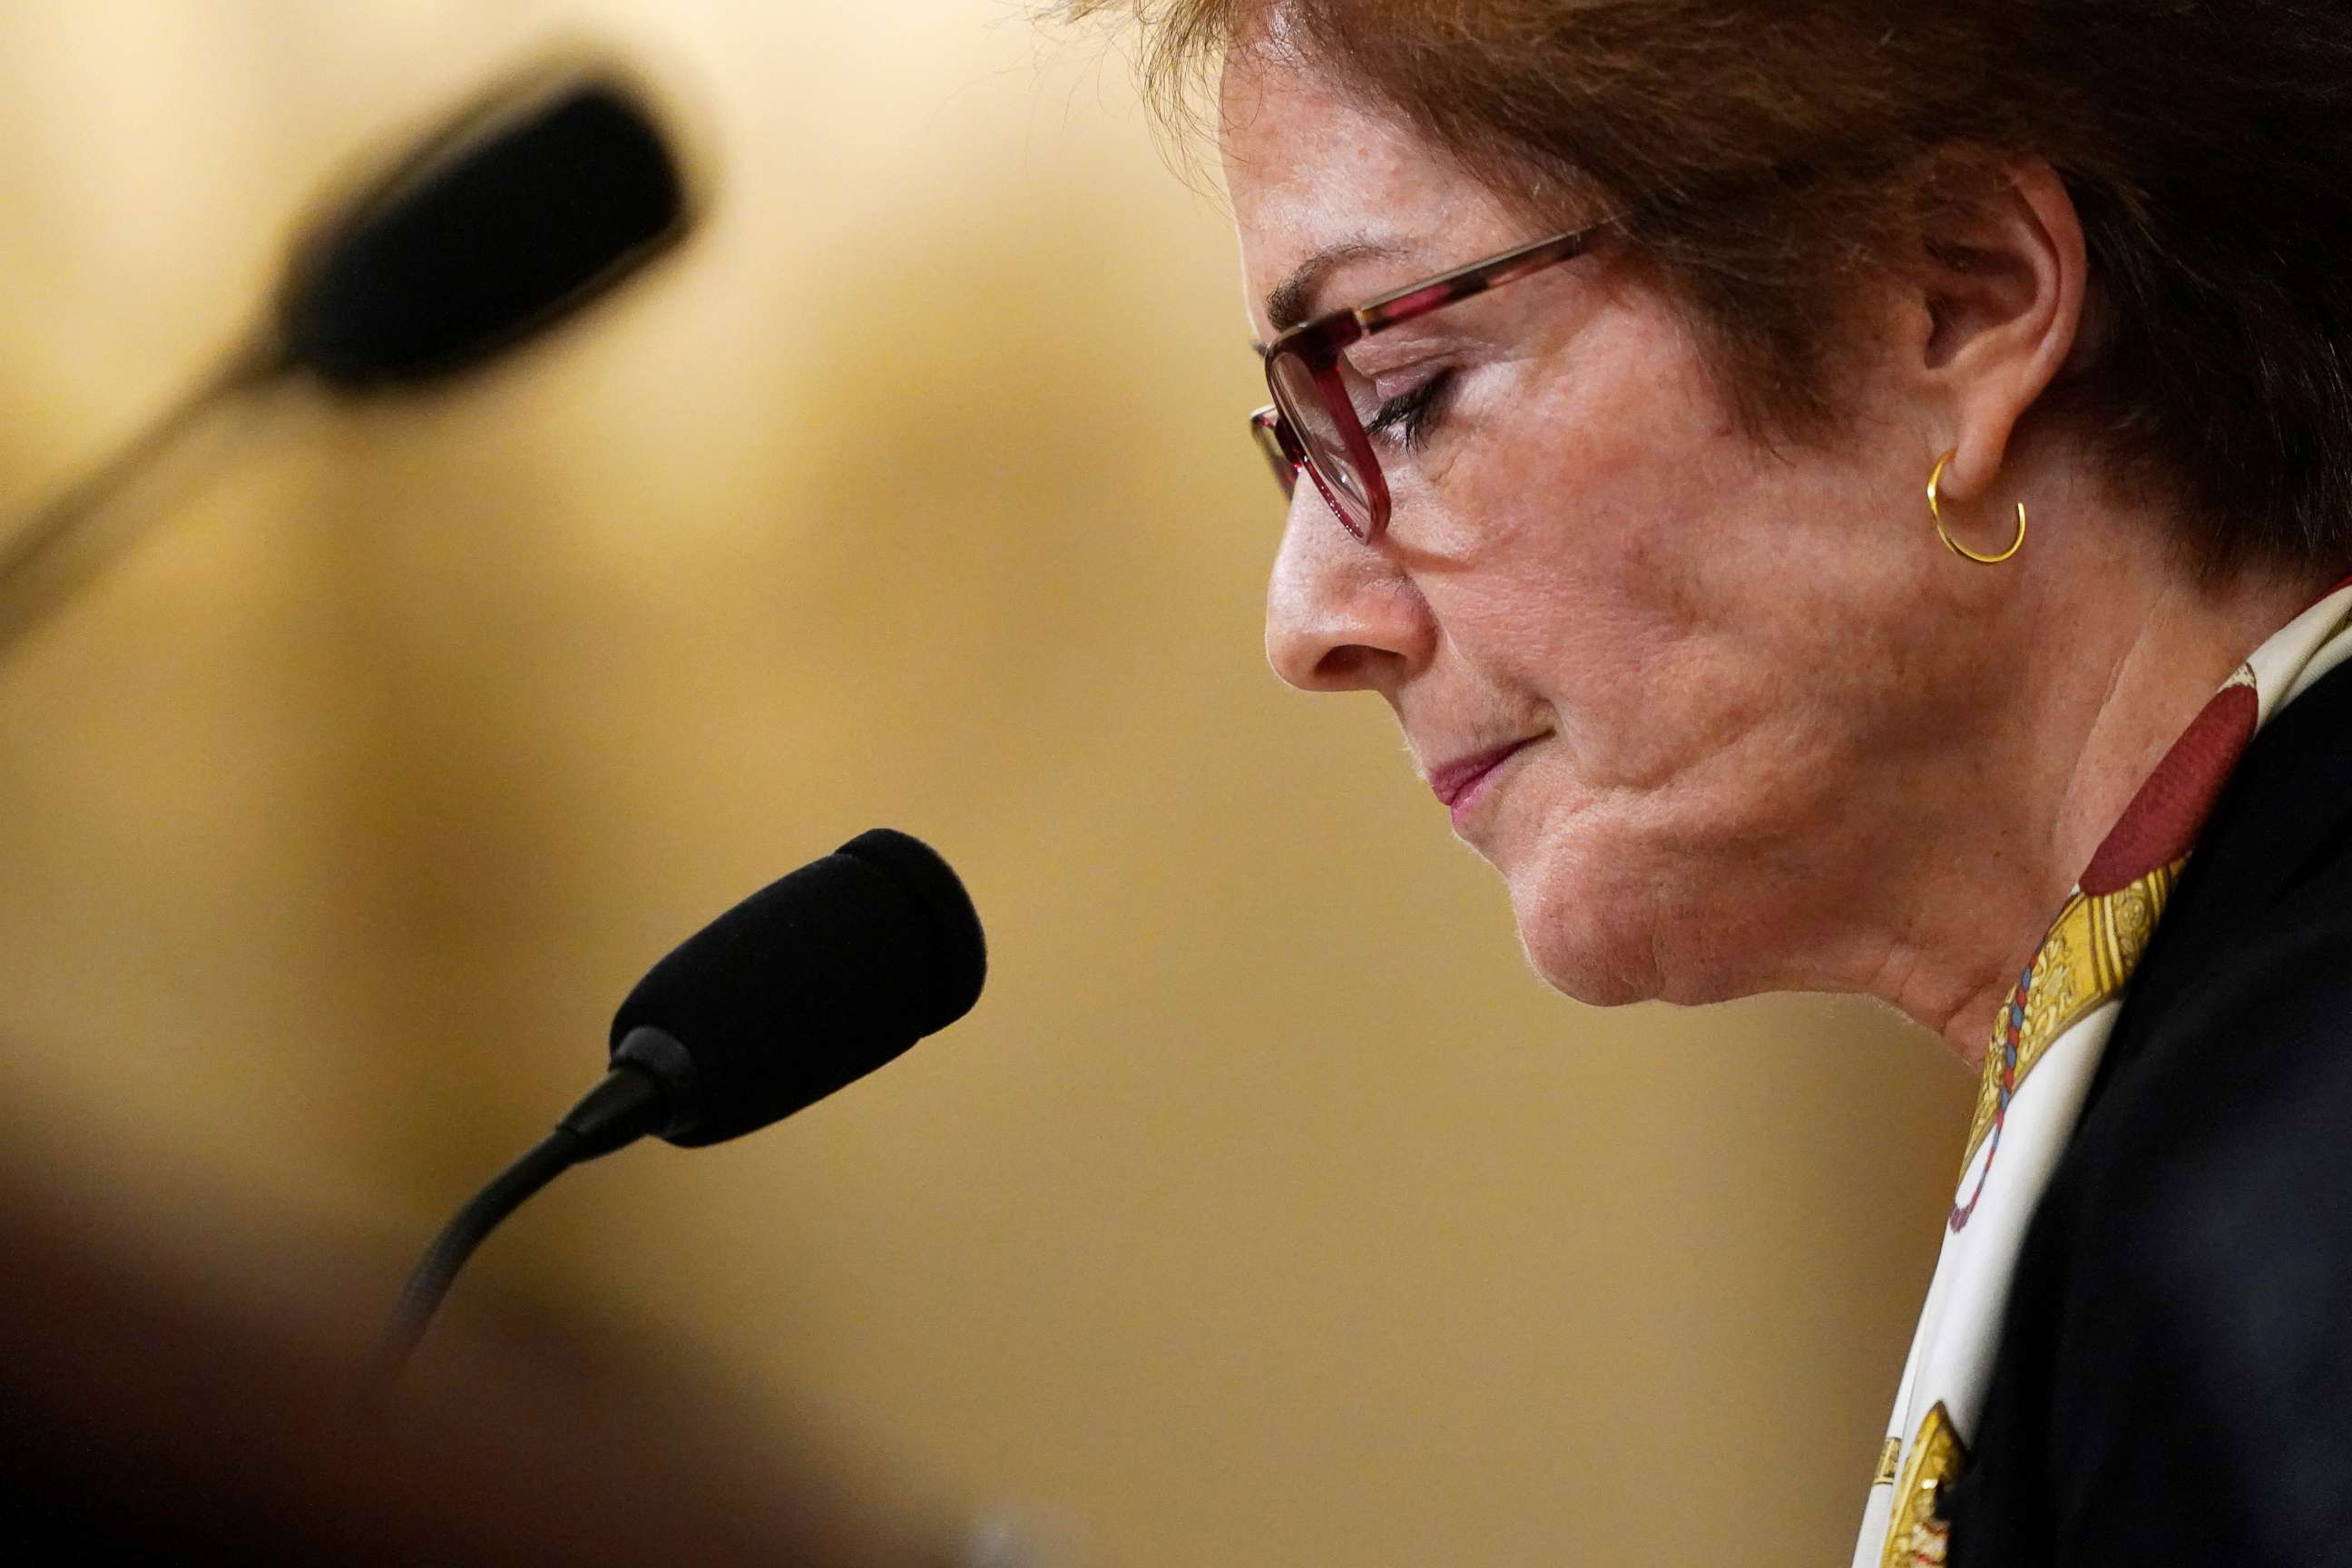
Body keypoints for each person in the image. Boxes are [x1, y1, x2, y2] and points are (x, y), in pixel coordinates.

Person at [1068, 1, 2352, 1562]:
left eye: (1401, 393)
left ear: (1963, 299)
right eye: (1304, 445)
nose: (1309, 621)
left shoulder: (2296, 1168)